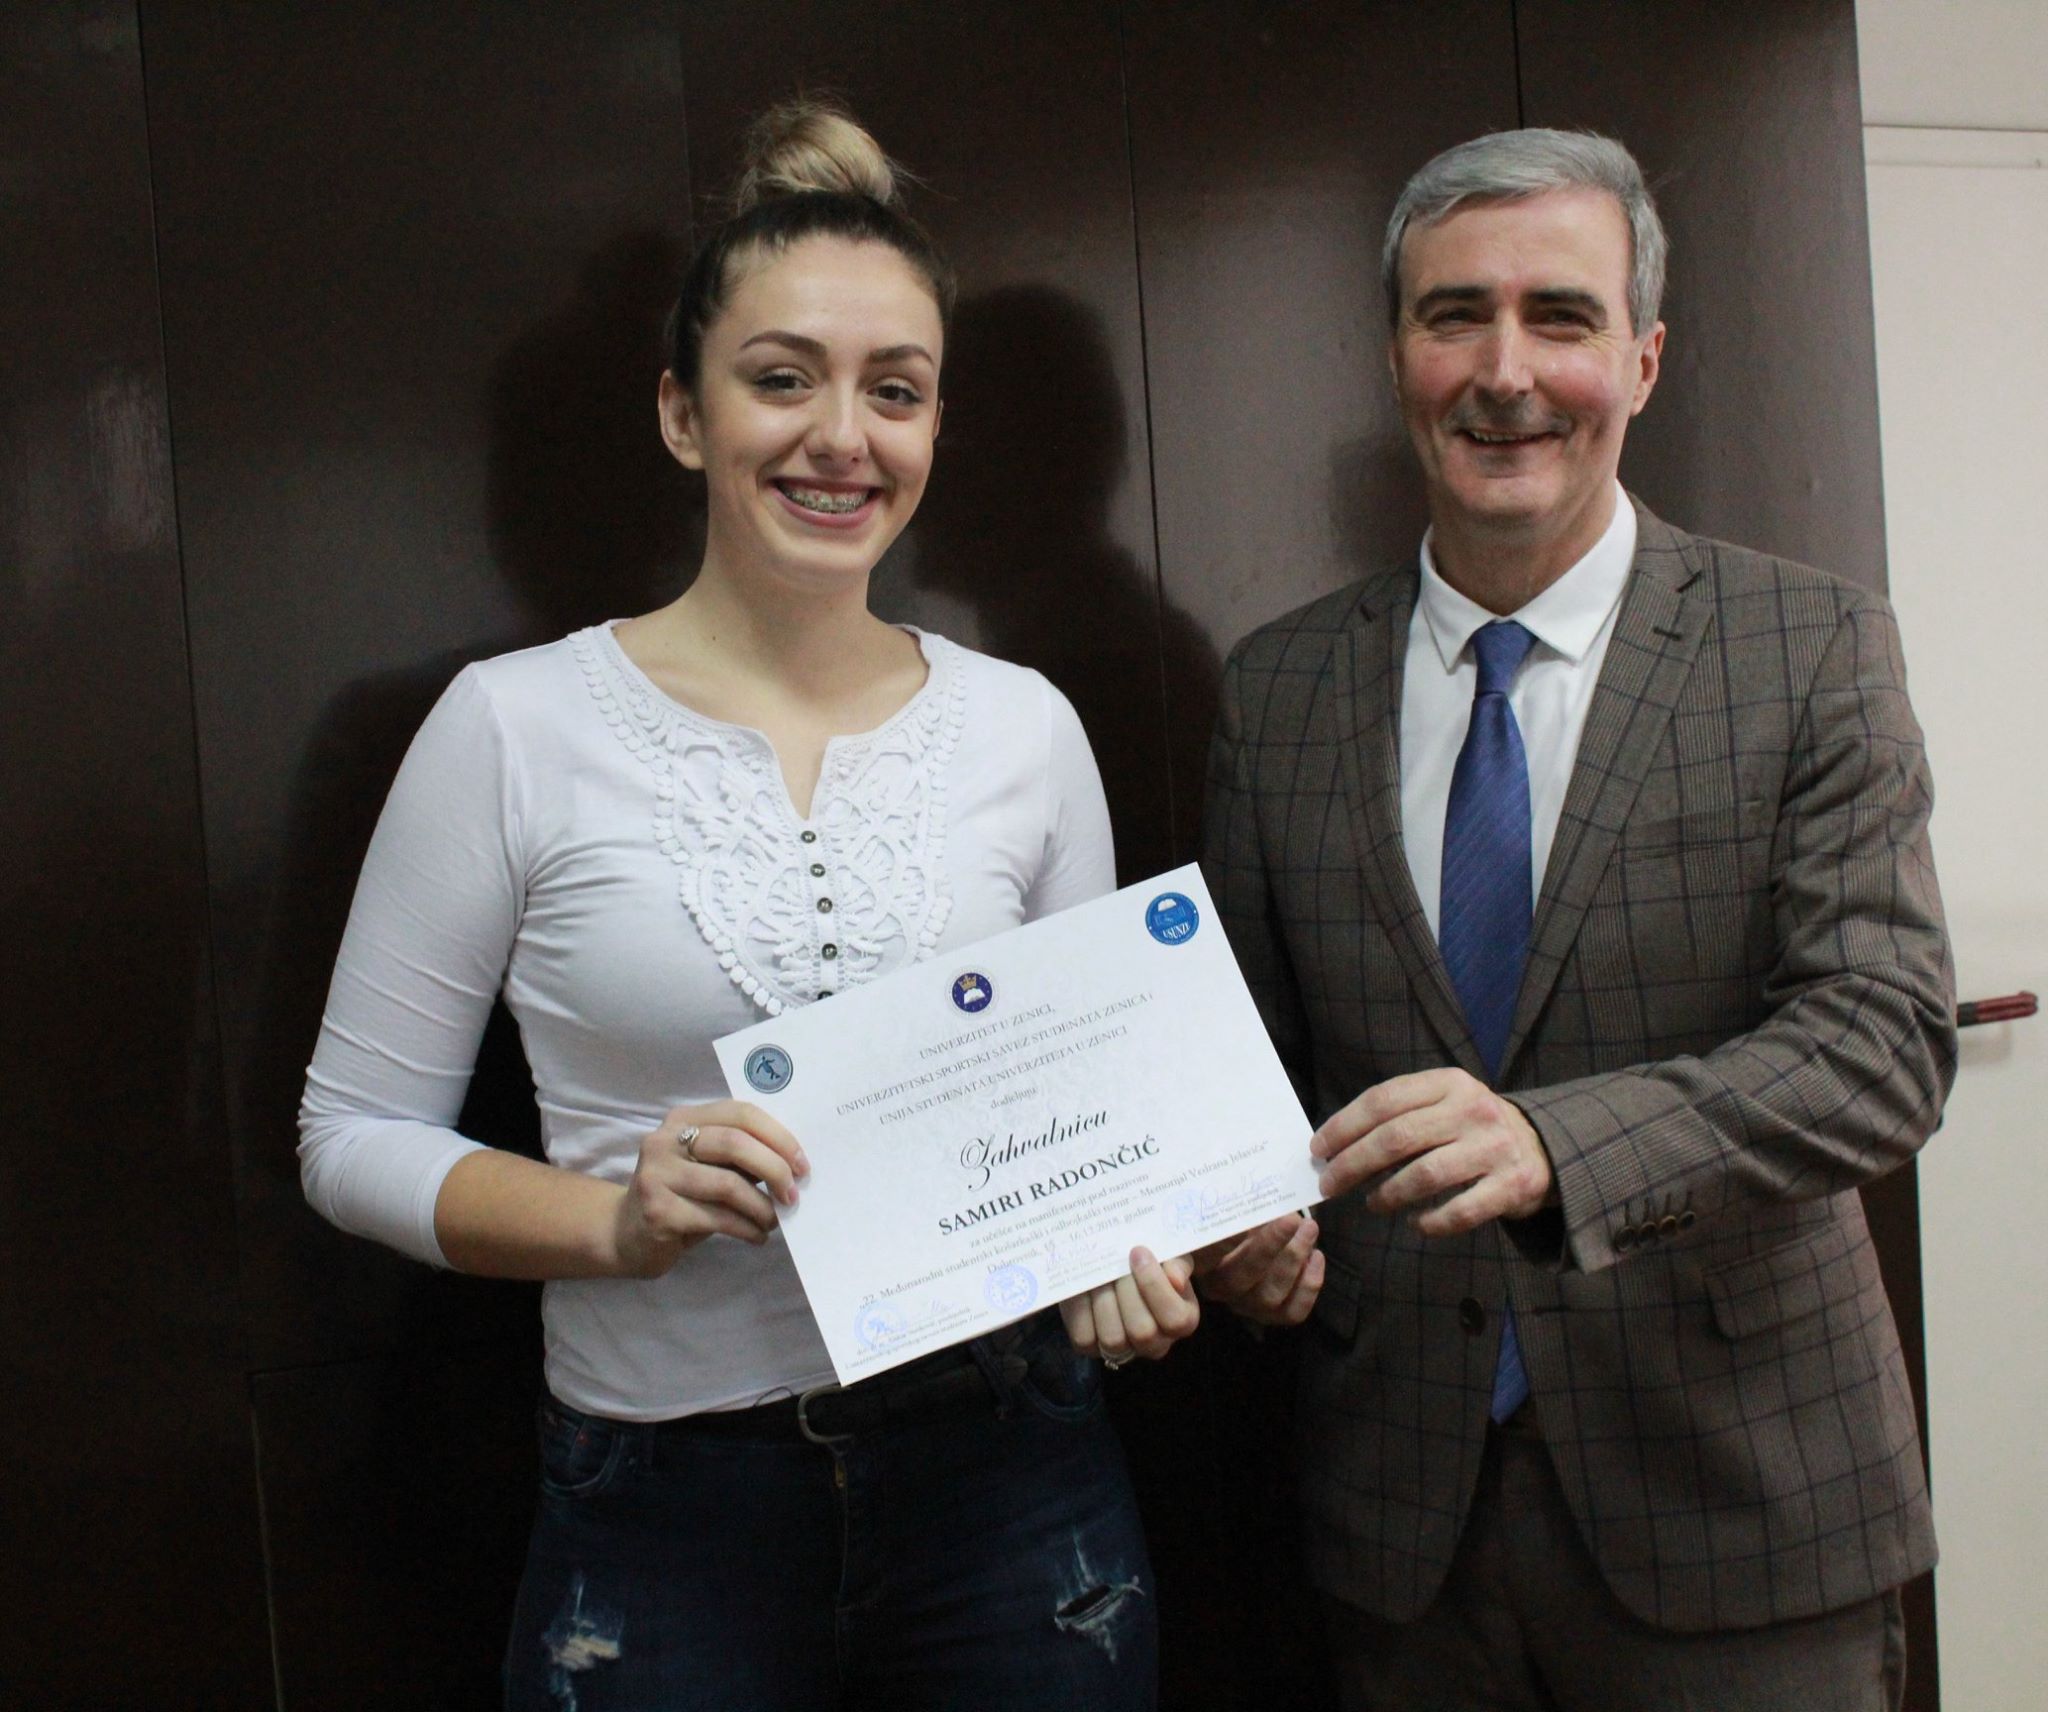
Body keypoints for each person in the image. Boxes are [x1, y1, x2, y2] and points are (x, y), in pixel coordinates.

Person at [299, 98, 1195, 1712]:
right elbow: (349, 1137)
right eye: (782, 379)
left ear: (935, 429)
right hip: (665, 1502)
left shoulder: (1026, 729)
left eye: (893, 391)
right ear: (681, 413)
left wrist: (1133, 1258)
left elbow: (1093, 1127)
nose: (842, 437)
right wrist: (612, 1224)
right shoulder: (511, 728)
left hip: (1013, 1491)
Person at [1198, 129, 1952, 1710]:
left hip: (1741, 1504)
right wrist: (1241, 1239)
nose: (1505, 372)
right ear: (1395, 357)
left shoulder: (1810, 646)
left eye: (1560, 316)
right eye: (1453, 316)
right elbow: (1243, 1090)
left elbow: (1882, 1045)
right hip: (1400, 1522)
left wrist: (1559, 1147)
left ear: (1644, 359)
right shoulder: (1277, 694)